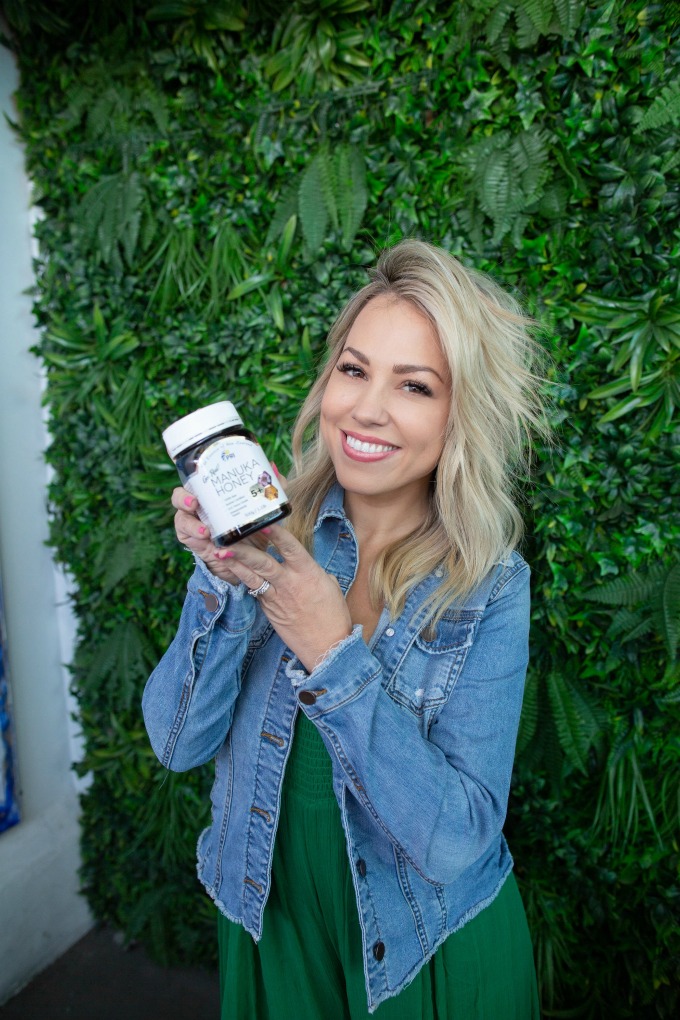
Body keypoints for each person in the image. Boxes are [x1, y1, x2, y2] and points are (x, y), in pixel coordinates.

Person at [143, 239, 545, 1018]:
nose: (366, 408)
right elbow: (177, 741)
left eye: (415, 386)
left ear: (460, 412)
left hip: (426, 947)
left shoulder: (489, 586)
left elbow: (457, 839)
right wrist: (222, 582)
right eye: (354, 370)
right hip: (276, 922)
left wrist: (331, 649)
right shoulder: (267, 534)